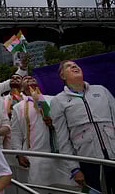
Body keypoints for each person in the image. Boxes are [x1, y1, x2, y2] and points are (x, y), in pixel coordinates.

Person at [51, 60, 115, 193]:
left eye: (75, 65)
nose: (74, 66)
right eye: (68, 66)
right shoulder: (58, 101)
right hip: (88, 162)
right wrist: (74, 168)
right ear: (62, 76)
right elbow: (62, 138)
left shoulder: (101, 91)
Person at [11, 75, 76, 191]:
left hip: (59, 155)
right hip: (35, 157)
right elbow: (16, 134)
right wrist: (19, 154)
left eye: (32, 78)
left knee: (64, 189)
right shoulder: (17, 107)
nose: (29, 79)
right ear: (21, 88)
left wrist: (53, 122)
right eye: (25, 79)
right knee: (38, 189)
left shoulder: (54, 99)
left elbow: (68, 122)